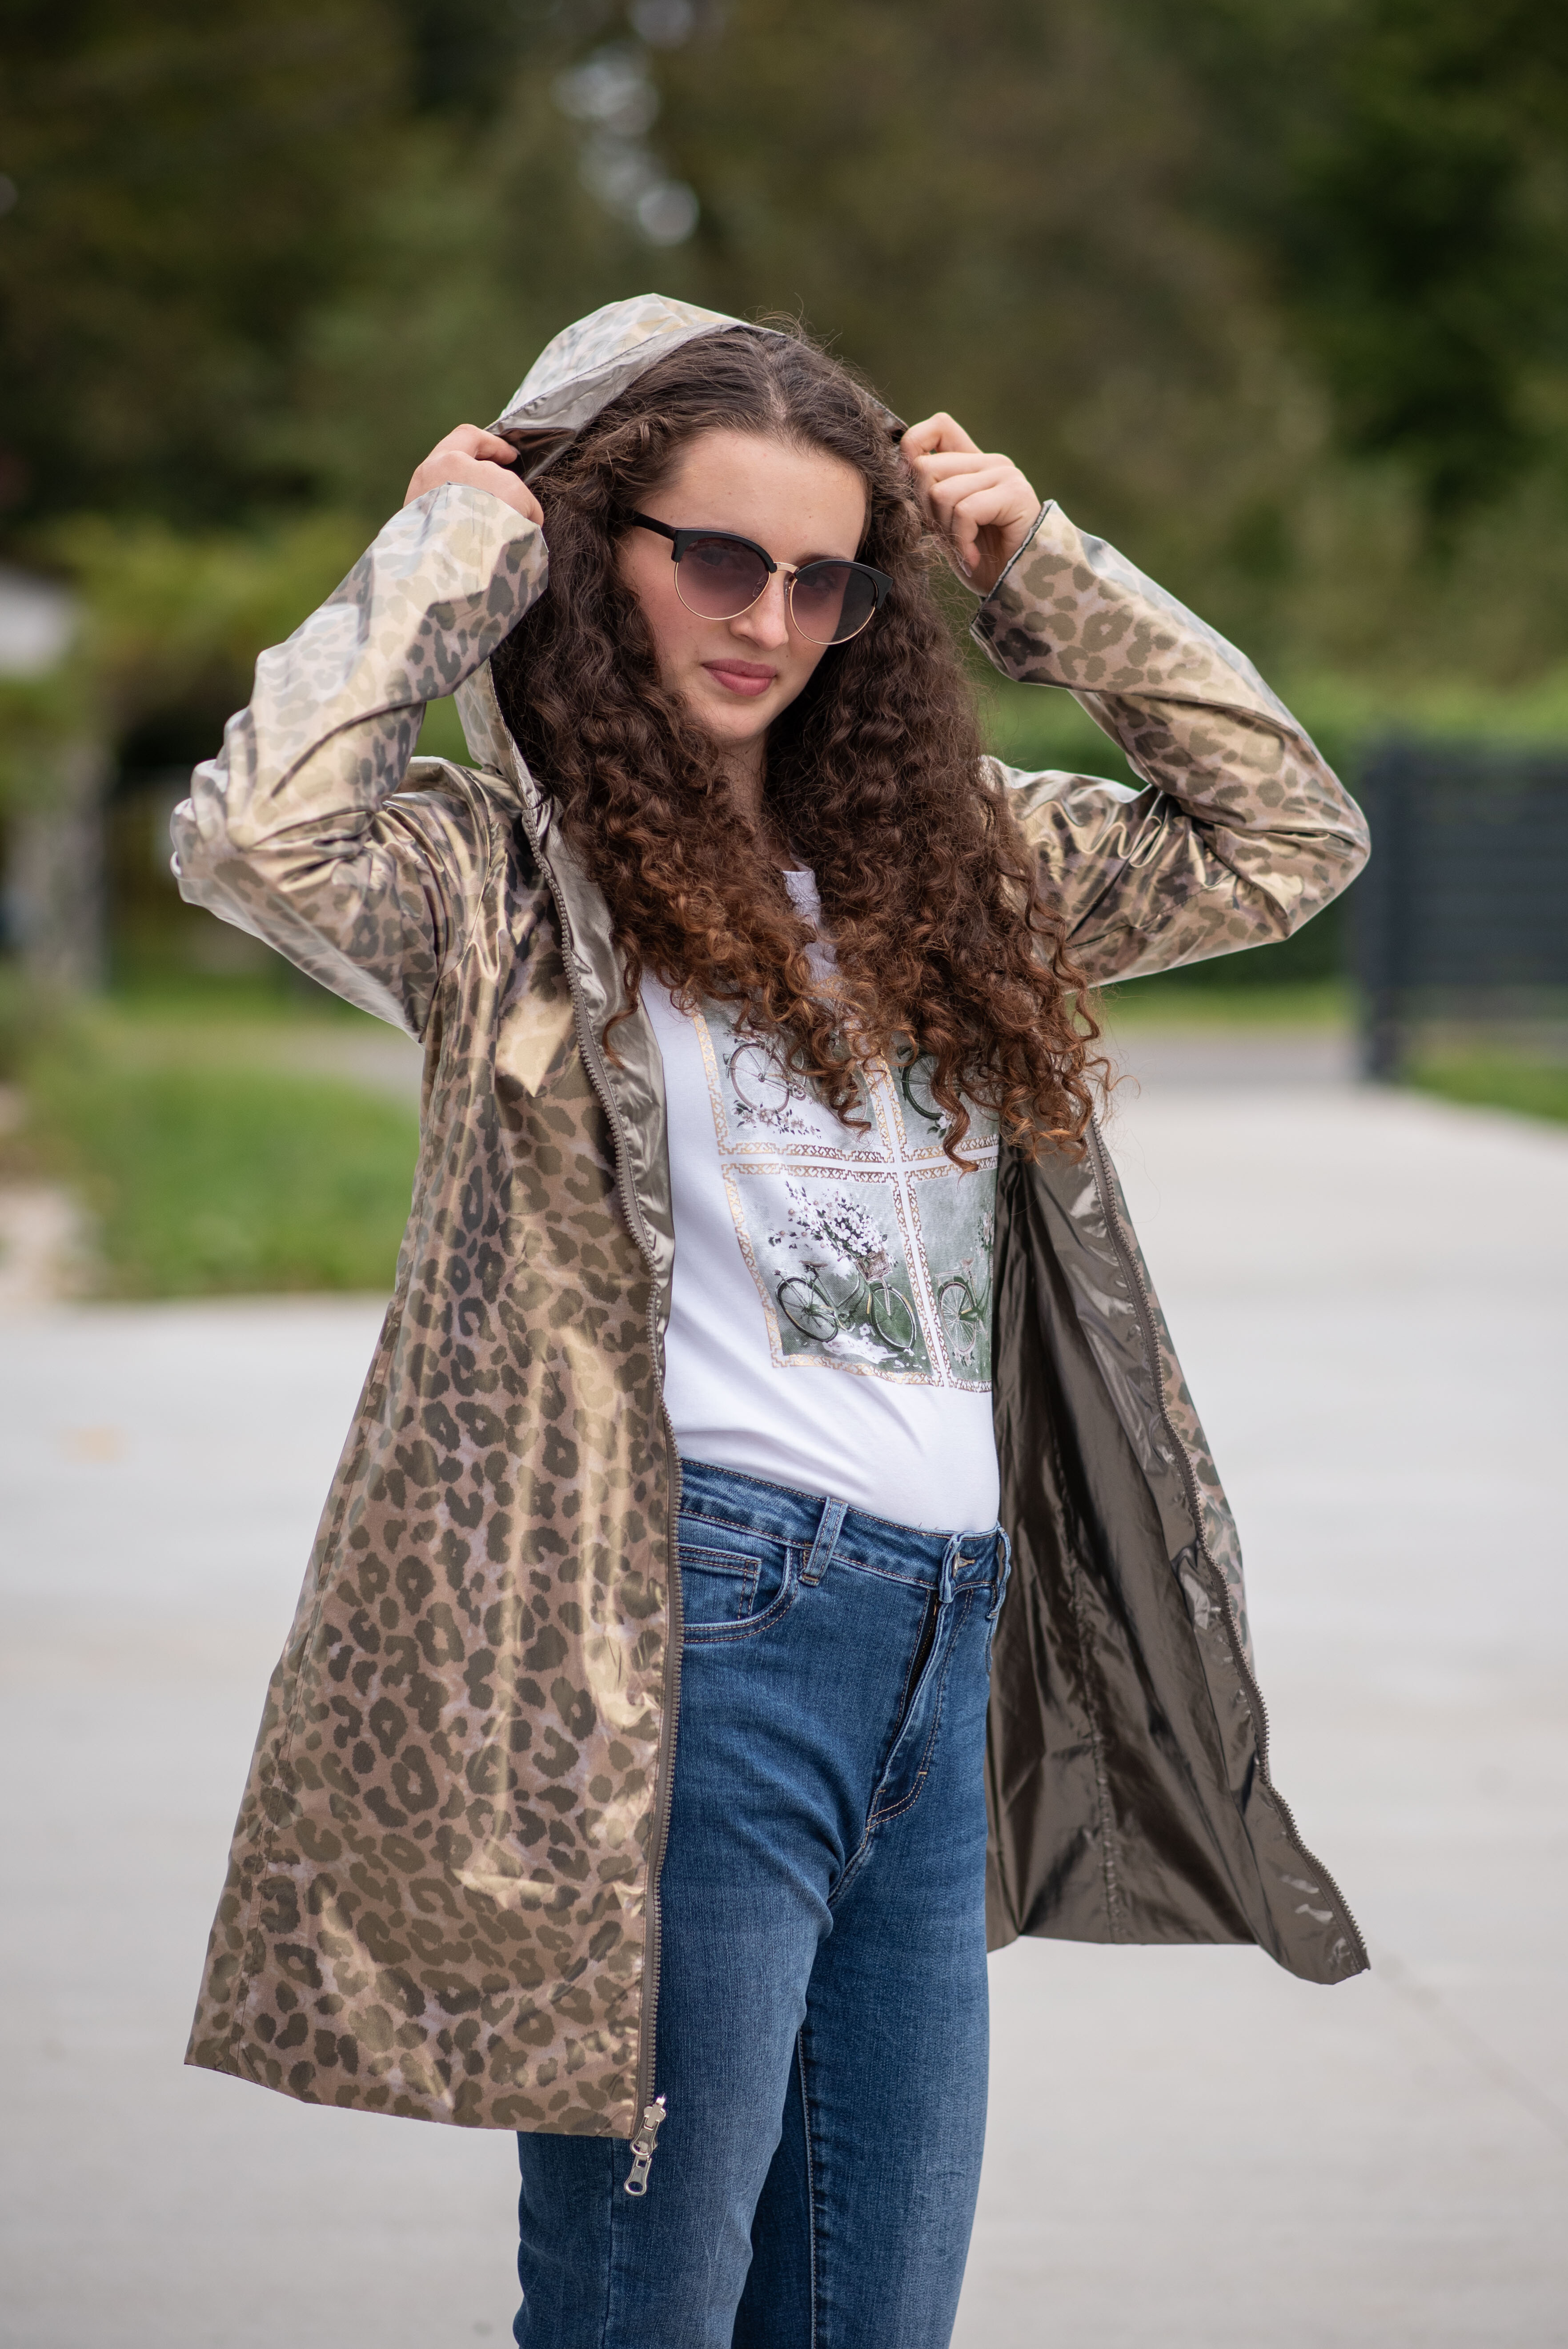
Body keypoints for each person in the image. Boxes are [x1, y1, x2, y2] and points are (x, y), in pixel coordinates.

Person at [173, 294, 1370, 2349]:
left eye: (824, 580)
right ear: (596, 549)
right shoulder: (499, 881)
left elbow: (1291, 835)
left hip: (942, 1632)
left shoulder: (955, 868)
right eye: (719, 556)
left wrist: (1046, 565)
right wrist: (452, 545)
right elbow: (253, 829)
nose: (771, 618)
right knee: (650, 2305)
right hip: (692, 1638)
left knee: (867, 2313)